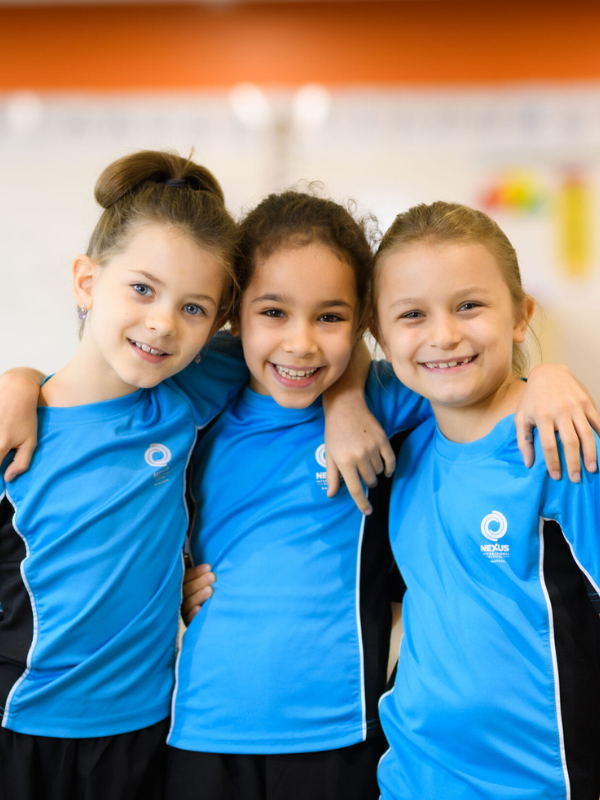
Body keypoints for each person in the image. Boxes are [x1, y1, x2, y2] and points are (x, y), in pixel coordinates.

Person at [169, 189, 599, 800]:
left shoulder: (448, 419)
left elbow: (465, 383)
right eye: (273, 313)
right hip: (295, 750)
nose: (301, 343)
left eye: (329, 316)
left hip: (386, 748)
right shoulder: (201, 402)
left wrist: (550, 377)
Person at [0, 149, 251, 800]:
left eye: (195, 308)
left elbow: (304, 349)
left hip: (145, 732)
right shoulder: (12, 430)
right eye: (141, 288)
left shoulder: (185, 400)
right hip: (20, 727)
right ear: (87, 282)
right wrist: (17, 382)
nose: (164, 323)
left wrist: (551, 379)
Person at [372, 201, 600, 800]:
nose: (444, 334)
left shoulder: (563, 446)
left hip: (540, 782)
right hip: (409, 776)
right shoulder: (403, 452)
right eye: (412, 314)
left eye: (469, 305)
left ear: (522, 317)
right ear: (381, 337)